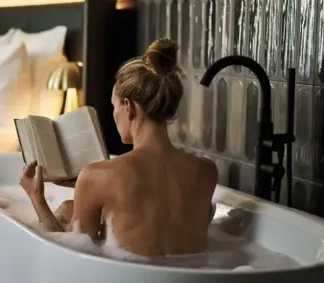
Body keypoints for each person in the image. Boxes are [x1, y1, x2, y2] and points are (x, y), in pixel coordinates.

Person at [19, 38, 218, 258]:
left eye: (114, 106)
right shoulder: (207, 171)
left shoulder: (98, 175)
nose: (114, 115)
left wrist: (37, 197)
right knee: (68, 206)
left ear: (129, 107)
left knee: (65, 211)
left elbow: (70, 256)